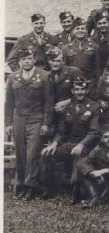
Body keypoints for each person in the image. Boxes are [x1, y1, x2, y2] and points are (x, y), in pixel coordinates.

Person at [5, 47, 53, 200]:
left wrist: (45, 123)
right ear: (19, 61)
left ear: (34, 59)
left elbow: (48, 102)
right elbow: (9, 103)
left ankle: (31, 186)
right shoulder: (13, 77)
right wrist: (8, 123)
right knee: (20, 153)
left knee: (32, 153)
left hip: (36, 119)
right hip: (19, 119)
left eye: (30, 58)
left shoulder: (43, 76)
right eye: (24, 59)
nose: (27, 61)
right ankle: (21, 186)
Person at [41, 76, 99, 200]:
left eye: (82, 89)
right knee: (47, 154)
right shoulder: (68, 107)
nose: (79, 92)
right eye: (76, 89)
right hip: (69, 144)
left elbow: (94, 132)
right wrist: (54, 143)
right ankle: (49, 189)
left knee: (78, 158)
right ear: (72, 91)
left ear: (87, 90)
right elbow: (61, 130)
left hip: (86, 145)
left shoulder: (94, 107)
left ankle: (76, 188)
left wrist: (81, 144)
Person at [76, 124, 109, 207]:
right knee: (83, 169)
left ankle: (101, 199)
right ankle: (95, 197)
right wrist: (92, 173)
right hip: (101, 181)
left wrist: (104, 171)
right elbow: (83, 162)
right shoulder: (98, 149)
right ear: (102, 139)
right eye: (106, 137)